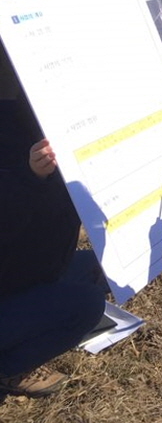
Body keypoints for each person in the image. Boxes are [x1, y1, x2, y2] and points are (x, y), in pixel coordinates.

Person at [0, 44, 106, 398]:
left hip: (14, 270)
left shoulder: (21, 118)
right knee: (87, 304)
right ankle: (7, 369)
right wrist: (29, 177)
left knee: (102, 266)